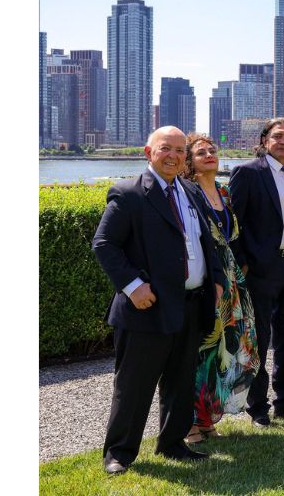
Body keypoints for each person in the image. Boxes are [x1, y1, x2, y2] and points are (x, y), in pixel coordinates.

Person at [91, 126, 223, 474]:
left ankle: (173, 443)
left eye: (181, 151)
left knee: (180, 383)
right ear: (148, 152)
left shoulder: (191, 191)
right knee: (134, 385)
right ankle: (119, 453)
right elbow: (104, 244)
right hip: (146, 308)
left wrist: (217, 282)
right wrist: (133, 286)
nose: (174, 156)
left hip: (192, 305)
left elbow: (204, 243)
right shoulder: (129, 193)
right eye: (166, 148)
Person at [228, 118, 284, 425]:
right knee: (260, 339)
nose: (283, 141)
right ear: (265, 140)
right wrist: (245, 263)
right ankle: (258, 407)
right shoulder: (248, 173)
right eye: (277, 136)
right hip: (261, 268)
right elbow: (232, 223)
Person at [182, 133, 260, 443]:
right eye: (201, 152)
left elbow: (235, 238)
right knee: (199, 351)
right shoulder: (188, 194)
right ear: (190, 161)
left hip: (232, 287)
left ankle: (207, 419)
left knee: (223, 352)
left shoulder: (225, 193)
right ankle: (187, 423)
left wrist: (241, 270)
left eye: (212, 150)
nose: (209, 155)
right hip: (204, 283)